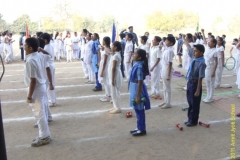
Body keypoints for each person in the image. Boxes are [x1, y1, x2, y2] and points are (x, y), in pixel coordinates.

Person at [24, 38, 51, 147]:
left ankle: (44, 137)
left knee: (39, 113)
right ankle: (44, 134)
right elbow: (48, 55)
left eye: (25, 45)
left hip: (36, 89)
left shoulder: (31, 60)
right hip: (42, 87)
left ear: (30, 48)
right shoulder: (39, 55)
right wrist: (40, 49)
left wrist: (29, 96)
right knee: (41, 112)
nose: (23, 47)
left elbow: (33, 80)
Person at [129, 49, 151, 136]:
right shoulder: (137, 64)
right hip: (135, 87)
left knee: (139, 109)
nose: (133, 55)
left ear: (139, 57)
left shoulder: (139, 67)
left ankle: (142, 129)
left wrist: (138, 95)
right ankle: (139, 127)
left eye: (135, 54)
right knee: (137, 109)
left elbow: (140, 81)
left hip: (138, 88)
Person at [185, 44, 206, 126]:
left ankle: (193, 121)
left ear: (201, 53)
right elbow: (190, 50)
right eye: (194, 51)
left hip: (195, 84)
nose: (194, 52)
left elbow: (200, 78)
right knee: (190, 101)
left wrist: (197, 90)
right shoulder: (195, 59)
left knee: (195, 103)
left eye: (196, 51)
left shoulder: (201, 63)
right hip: (190, 82)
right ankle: (189, 118)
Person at [158, 36, 176, 109]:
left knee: (167, 86)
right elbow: (161, 45)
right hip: (164, 67)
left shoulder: (170, 51)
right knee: (164, 86)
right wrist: (161, 43)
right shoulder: (166, 49)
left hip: (167, 68)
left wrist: (168, 75)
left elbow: (170, 63)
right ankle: (165, 101)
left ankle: (168, 103)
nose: (165, 42)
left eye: (167, 41)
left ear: (171, 43)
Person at [201, 29, 218, 103]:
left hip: (211, 68)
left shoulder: (215, 51)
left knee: (211, 83)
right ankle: (208, 96)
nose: (208, 43)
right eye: (208, 42)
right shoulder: (207, 48)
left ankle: (211, 97)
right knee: (207, 82)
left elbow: (216, 62)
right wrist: (203, 33)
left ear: (214, 43)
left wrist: (214, 72)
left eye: (210, 42)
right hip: (206, 67)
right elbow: (204, 41)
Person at [41, 33, 57, 107]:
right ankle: (52, 100)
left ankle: (51, 101)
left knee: (49, 83)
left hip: (49, 65)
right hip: (51, 65)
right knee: (51, 82)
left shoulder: (46, 48)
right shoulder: (49, 46)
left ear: (45, 40)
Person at [108, 41, 123, 114]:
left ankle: (118, 107)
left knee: (115, 91)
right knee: (113, 91)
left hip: (115, 74)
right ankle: (115, 106)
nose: (111, 47)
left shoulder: (116, 56)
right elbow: (110, 52)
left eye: (112, 46)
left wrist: (113, 79)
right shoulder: (115, 54)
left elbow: (113, 68)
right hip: (114, 74)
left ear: (115, 47)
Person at [99, 37, 111, 102]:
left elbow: (105, 61)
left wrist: (102, 71)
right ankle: (107, 94)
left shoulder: (106, 50)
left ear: (105, 42)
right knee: (105, 81)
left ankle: (108, 96)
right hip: (104, 65)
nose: (102, 42)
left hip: (105, 66)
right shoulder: (106, 49)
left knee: (106, 81)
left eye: (103, 41)